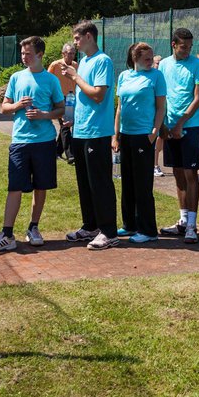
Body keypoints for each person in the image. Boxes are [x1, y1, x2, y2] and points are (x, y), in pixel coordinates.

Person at [0, 36, 65, 253]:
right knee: (15, 186)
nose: (24, 57)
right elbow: (4, 107)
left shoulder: (51, 80)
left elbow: (60, 109)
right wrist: (18, 104)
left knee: (41, 186)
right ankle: (7, 234)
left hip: (44, 141)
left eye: (28, 53)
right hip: (19, 141)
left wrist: (43, 115)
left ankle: (33, 228)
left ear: (40, 55)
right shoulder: (16, 77)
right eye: (22, 53)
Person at [59, 21, 120, 250]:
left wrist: (75, 77)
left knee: (100, 182)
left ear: (88, 36)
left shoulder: (102, 61)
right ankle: (91, 226)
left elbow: (98, 95)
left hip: (97, 132)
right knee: (84, 182)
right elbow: (84, 97)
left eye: (77, 38)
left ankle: (109, 231)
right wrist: (73, 117)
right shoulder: (84, 61)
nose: (74, 43)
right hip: (81, 130)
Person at [156, 29, 199, 243]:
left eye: (189, 46)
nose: (187, 50)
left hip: (191, 127)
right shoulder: (164, 65)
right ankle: (183, 220)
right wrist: (163, 126)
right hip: (169, 128)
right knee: (177, 172)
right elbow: (161, 97)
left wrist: (180, 123)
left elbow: (198, 99)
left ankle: (192, 225)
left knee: (190, 174)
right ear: (173, 44)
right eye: (183, 46)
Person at [113, 42, 167, 243]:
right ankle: (129, 225)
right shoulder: (124, 76)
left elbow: (161, 107)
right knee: (127, 182)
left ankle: (148, 230)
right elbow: (120, 107)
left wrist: (154, 132)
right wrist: (115, 135)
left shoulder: (156, 76)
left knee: (143, 184)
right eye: (146, 58)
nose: (151, 61)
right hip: (126, 135)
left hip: (144, 135)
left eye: (152, 57)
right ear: (134, 58)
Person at [48, 42, 78, 164]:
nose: (71, 56)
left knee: (65, 126)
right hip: (59, 99)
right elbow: (47, 80)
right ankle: (70, 154)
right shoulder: (55, 65)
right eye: (69, 53)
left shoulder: (76, 65)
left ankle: (56, 151)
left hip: (72, 98)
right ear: (63, 54)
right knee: (65, 125)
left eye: (73, 53)